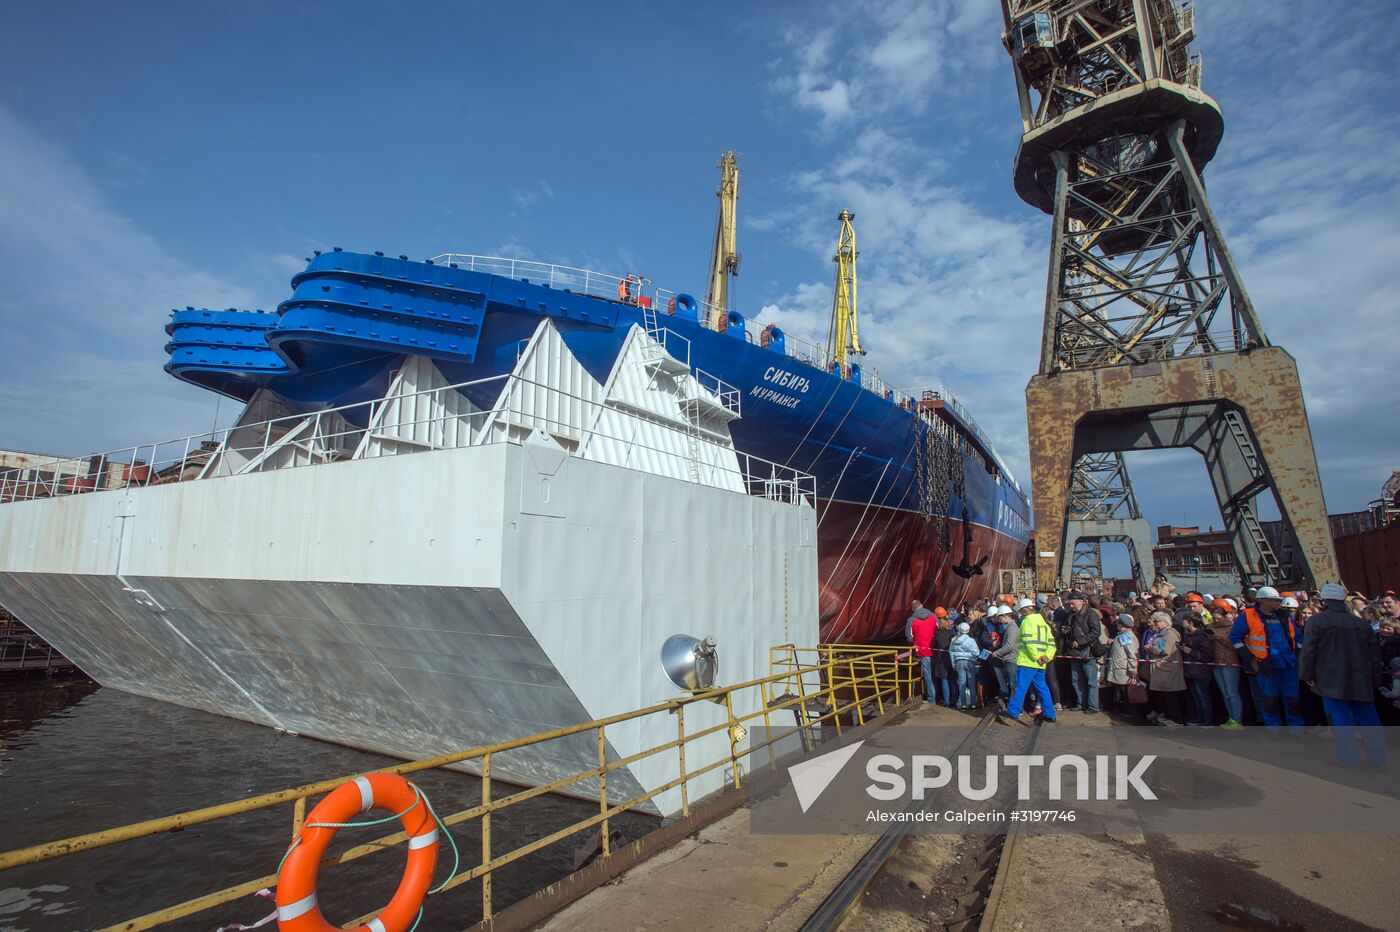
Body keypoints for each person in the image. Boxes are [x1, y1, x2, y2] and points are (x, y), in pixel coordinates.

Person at [1299, 583, 1386, 769]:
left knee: (1341, 720)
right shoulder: (1362, 624)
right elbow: (1375, 655)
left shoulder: (1317, 622)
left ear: (1324, 601)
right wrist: (1374, 680)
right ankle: (1378, 759)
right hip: (1361, 679)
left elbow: (1309, 651)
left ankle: (1349, 759)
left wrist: (1307, 674)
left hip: (1331, 680)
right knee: (1369, 719)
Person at [1229, 586, 1304, 735]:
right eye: (1274, 600)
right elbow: (1235, 638)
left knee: (1292, 700)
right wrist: (1250, 658)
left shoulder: (1283, 616)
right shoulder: (1248, 616)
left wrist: (1298, 654)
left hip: (1289, 663)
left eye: (1278, 600)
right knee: (1270, 700)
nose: (1277, 603)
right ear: (1262, 601)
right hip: (1265, 665)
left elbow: (1298, 638)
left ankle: (1297, 731)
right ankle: (1274, 730)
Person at [1001, 599, 1058, 725]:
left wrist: (1036, 656)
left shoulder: (1026, 623)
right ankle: (1050, 714)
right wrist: (1046, 657)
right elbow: (1051, 644)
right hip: (1040, 663)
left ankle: (1012, 712)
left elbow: (1028, 641)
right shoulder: (1043, 624)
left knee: (1019, 687)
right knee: (1042, 687)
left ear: (1023, 611)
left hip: (1027, 661)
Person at [1063, 590, 1103, 714]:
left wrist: (1080, 641)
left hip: (1087, 651)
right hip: (1074, 651)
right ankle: (1081, 703)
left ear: (1081, 602)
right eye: (1069, 604)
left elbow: (1096, 632)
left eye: (1072, 603)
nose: (1071, 606)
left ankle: (1092, 706)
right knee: (1076, 679)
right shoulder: (1071, 615)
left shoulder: (1091, 614)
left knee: (1090, 680)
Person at [1144, 611, 1186, 726]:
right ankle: (1168, 715)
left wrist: (1151, 648)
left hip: (1167, 668)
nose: (1156, 623)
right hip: (1161, 669)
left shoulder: (1170, 634)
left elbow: (1165, 650)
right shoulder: (1161, 633)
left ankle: (1176, 718)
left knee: (1170, 695)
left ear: (1165, 622)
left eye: (1158, 621)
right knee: (1164, 695)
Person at [1208, 601, 1245, 729]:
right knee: (1224, 692)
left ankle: (1237, 719)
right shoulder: (1212, 627)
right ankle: (1231, 717)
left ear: (1224, 616)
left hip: (1230, 663)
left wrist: (1216, 636)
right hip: (1216, 662)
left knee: (1232, 692)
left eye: (1218, 618)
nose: (1215, 620)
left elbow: (1232, 644)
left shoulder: (1231, 627)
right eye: (1214, 618)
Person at [1180, 613, 1215, 726]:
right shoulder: (1189, 635)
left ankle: (1207, 720)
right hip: (1191, 671)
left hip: (1200, 672)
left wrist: (1190, 651)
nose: (1183, 622)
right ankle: (1199, 717)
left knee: (1203, 697)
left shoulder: (1201, 637)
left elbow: (1208, 656)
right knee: (1196, 697)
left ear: (1191, 622)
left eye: (1185, 620)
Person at [1104, 615, 1140, 714]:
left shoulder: (1126, 636)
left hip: (1123, 668)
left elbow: (1132, 653)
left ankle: (1130, 712)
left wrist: (1132, 668)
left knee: (1126, 692)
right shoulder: (1122, 635)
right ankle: (1125, 710)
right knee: (1121, 690)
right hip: (1119, 667)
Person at [950, 622, 980, 709]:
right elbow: (976, 653)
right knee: (971, 684)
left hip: (958, 662)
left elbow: (951, 653)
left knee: (962, 683)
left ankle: (963, 705)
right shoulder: (971, 640)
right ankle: (973, 704)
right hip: (969, 662)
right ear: (968, 630)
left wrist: (953, 664)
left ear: (959, 629)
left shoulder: (954, 640)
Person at [931, 612, 956, 706]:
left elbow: (934, 645)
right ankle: (954, 700)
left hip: (941, 658)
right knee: (953, 680)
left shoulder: (938, 634)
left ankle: (946, 701)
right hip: (951, 657)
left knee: (944, 680)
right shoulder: (952, 633)